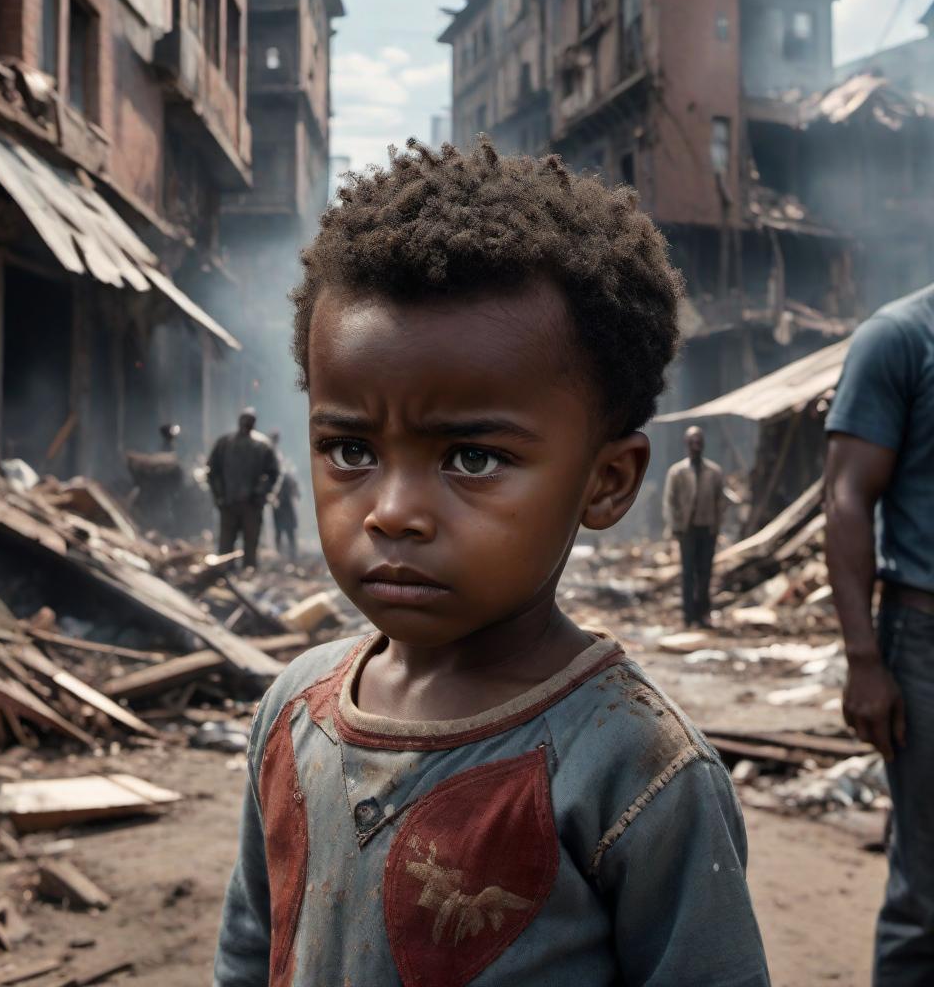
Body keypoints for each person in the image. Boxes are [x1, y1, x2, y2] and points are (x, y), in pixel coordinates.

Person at [214, 139, 769, 986]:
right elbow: (252, 955)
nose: (391, 510)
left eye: (471, 458)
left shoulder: (637, 771)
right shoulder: (293, 714)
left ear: (606, 482)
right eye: (351, 448)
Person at [824, 286, 934, 987]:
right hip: (924, 637)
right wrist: (864, 660)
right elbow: (846, 498)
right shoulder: (899, 338)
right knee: (927, 894)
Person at [663, 426, 726, 628]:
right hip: (686, 530)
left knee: (705, 573)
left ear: (703, 444)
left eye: (699, 442)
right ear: (686, 444)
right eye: (692, 442)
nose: (696, 446)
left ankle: (702, 614)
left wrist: (716, 526)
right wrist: (675, 526)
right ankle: (688, 617)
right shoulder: (677, 471)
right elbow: (669, 501)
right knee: (688, 573)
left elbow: (720, 502)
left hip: (707, 529)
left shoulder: (714, 472)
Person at [207, 408, 279, 568]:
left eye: (250, 420)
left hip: (251, 505)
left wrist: (260, 494)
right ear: (239, 421)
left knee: (251, 545)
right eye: (244, 419)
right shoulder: (224, 443)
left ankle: (248, 574)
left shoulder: (262, 445)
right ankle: (225, 574)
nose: (246, 423)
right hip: (229, 503)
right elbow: (212, 471)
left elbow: (273, 473)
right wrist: (219, 496)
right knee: (226, 544)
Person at [267, 429, 301, 560]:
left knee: (289, 528)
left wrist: (295, 491)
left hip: (284, 498)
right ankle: (280, 554)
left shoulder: (278, 457)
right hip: (278, 498)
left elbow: (288, 478)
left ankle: (292, 554)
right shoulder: (270, 454)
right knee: (279, 528)